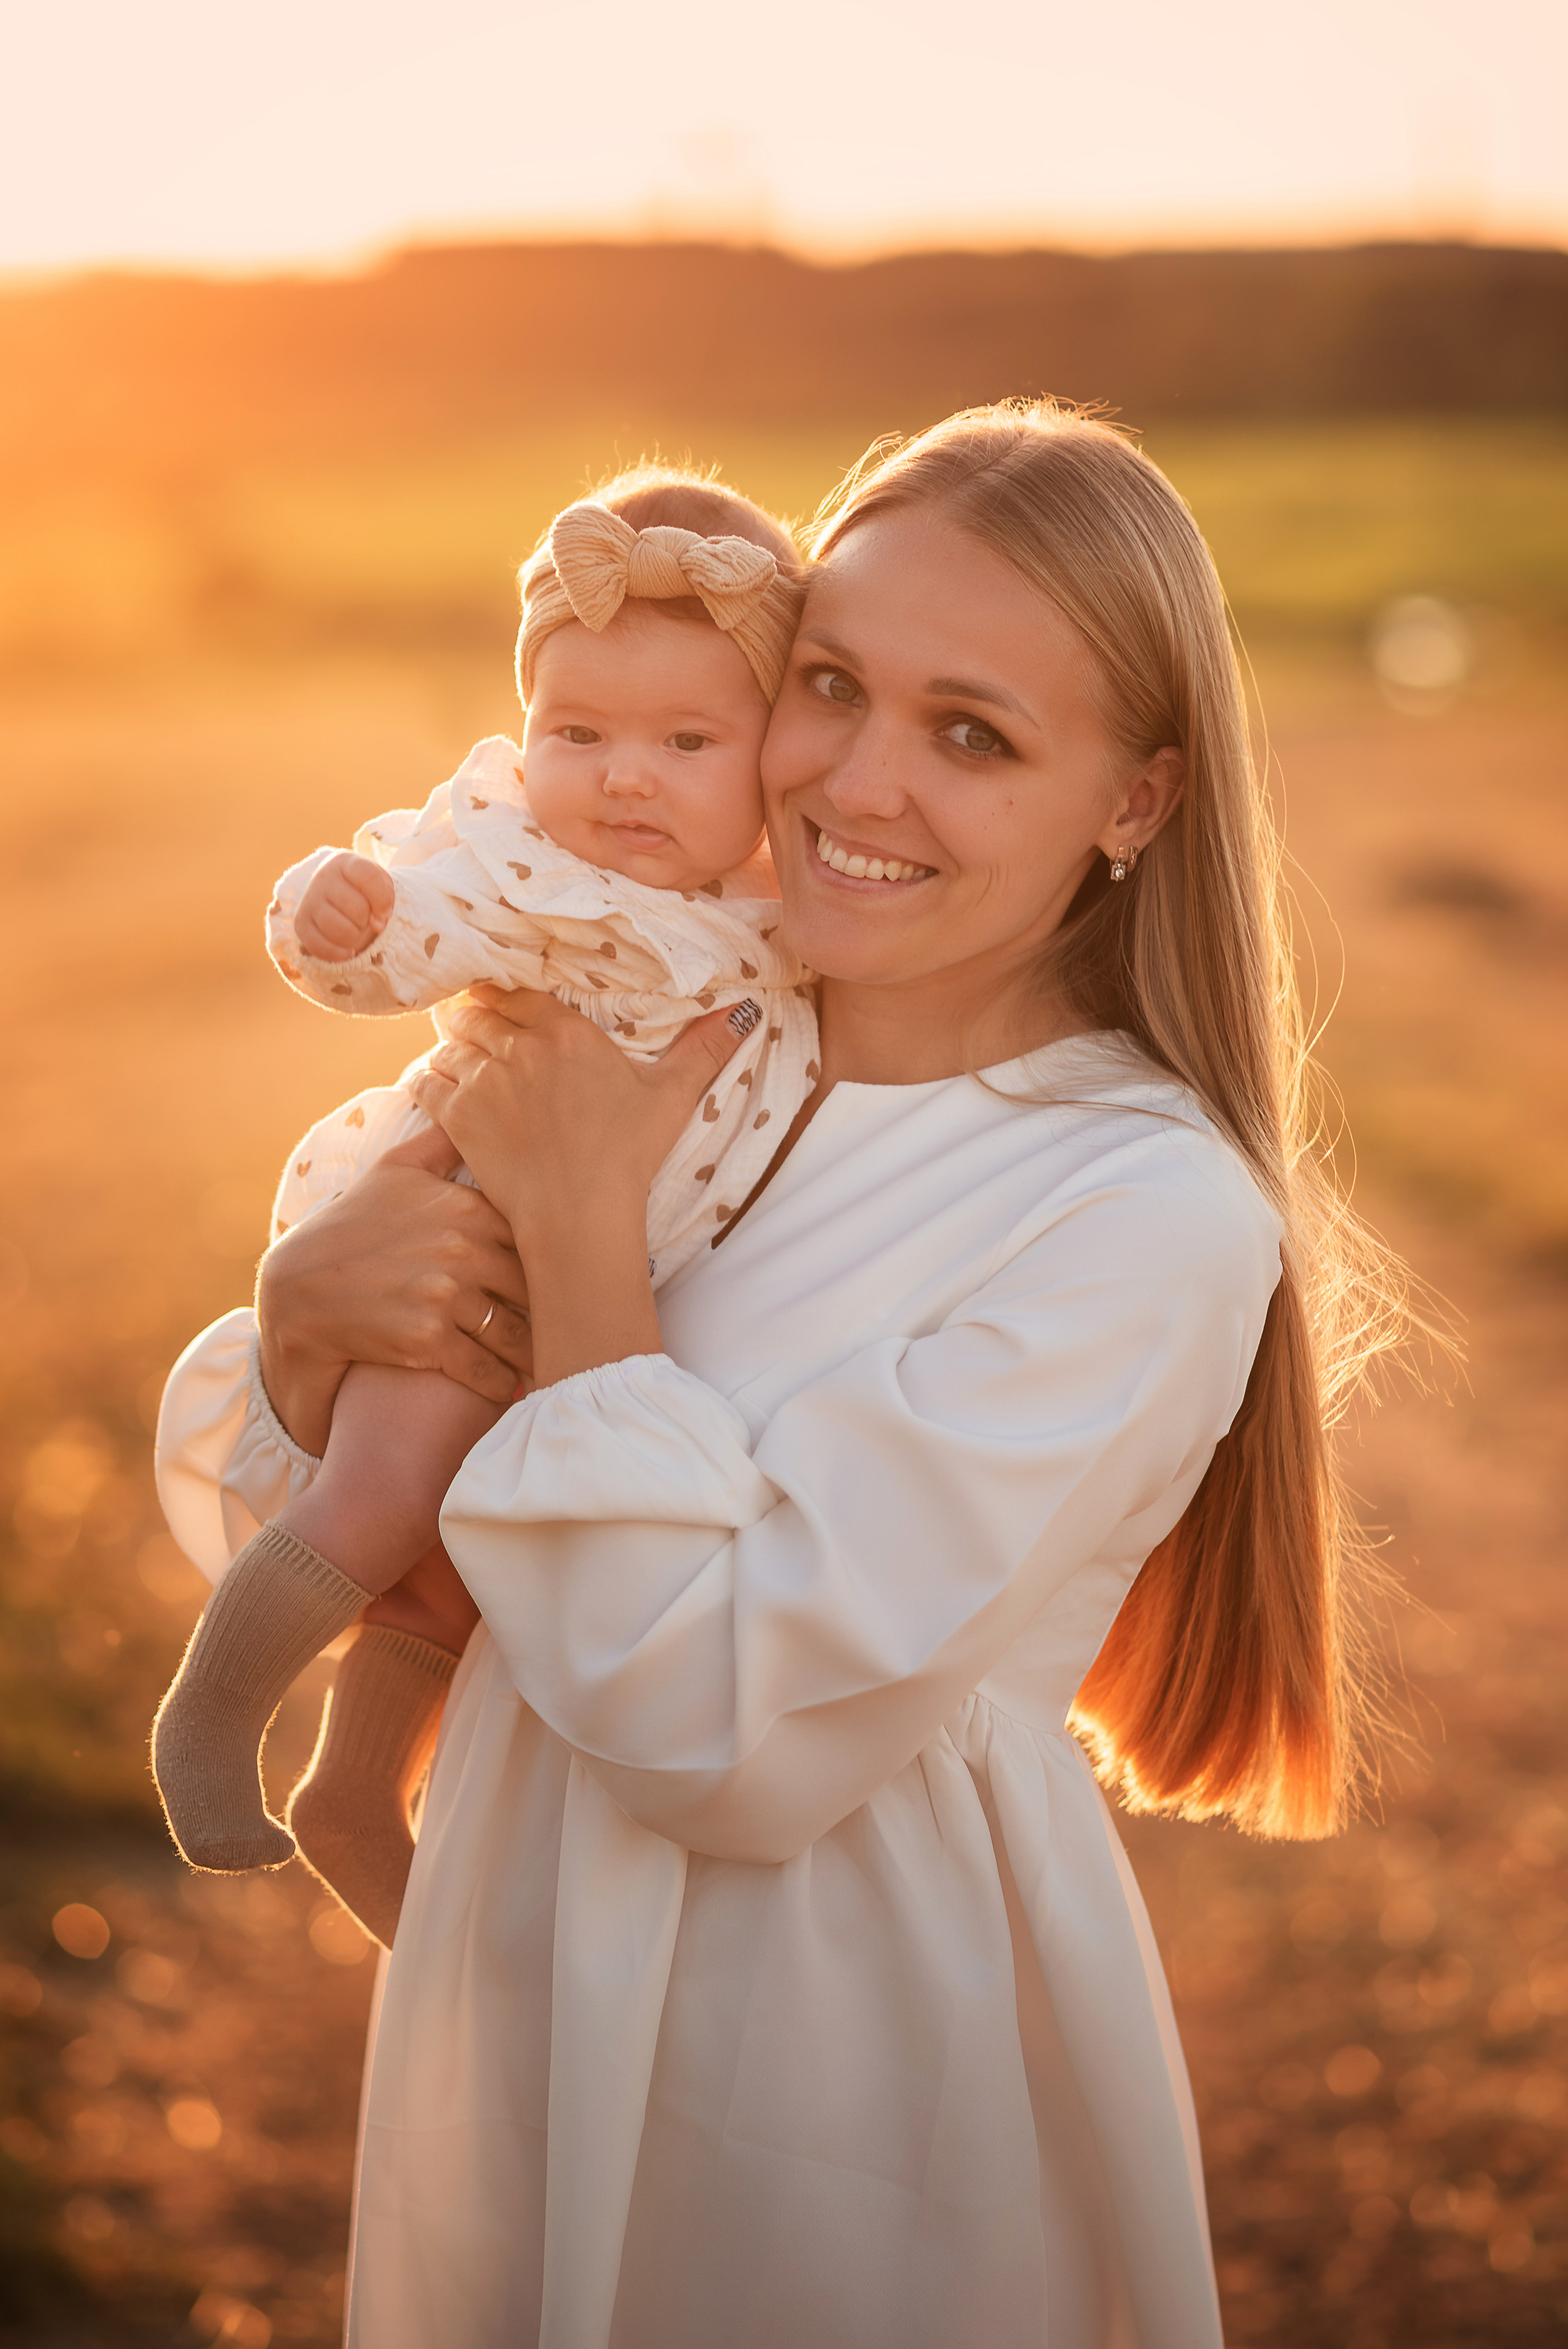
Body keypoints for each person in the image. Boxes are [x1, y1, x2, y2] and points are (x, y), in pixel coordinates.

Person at [154, 401, 1404, 2349]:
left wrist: (578, 1240)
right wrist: (312, 1314)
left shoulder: (1132, 1202)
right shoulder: (710, 1036)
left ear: (1138, 802)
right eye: (830, 686)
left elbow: (716, 1732)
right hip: (516, 1964)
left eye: (972, 733)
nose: (857, 782)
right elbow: (349, 1505)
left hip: (830, 2049)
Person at [151, 471, 813, 1946]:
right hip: (451, 1244)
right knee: (388, 1503)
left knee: (459, 1570)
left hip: (577, 1292)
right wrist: (337, 909)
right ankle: (211, 1715)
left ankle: (352, 1793)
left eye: (684, 741)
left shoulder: (783, 912)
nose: (622, 777)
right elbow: (396, 927)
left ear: (772, 753)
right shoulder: (529, 867)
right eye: (577, 733)